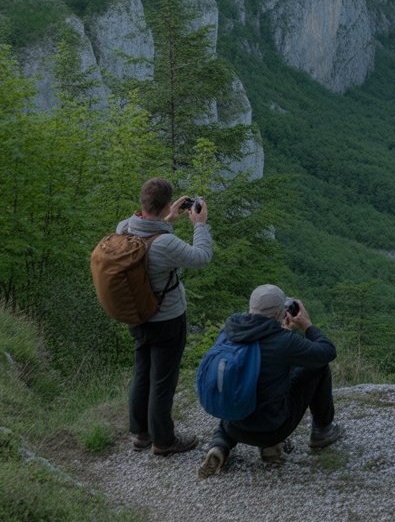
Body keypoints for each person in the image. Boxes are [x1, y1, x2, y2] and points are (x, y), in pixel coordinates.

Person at [197, 283, 341, 477]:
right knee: (318, 366)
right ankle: (321, 431)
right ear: (280, 313)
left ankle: (220, 446)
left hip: (233, 424)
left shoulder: (230, 330)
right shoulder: (283, 342)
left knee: (241, 393)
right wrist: (307, 325)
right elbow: (327, 352)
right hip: (273, 429)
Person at [118, 176, 213, 456]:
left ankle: (141, 433)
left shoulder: (124, 228)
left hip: (136, 317)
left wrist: (167, 217)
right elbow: (201, 257)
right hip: (166, 319)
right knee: (163, 380)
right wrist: (200, 225)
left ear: (143, 203)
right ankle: (164, 440)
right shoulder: (166, 244)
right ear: (168, 204)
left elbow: (148, 226)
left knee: (142, 372)